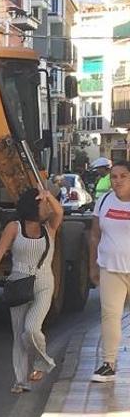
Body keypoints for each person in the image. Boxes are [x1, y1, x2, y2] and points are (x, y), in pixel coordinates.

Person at [0, 186, 64, 393]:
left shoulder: (50, 228)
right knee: (18, 333)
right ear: (33, 205)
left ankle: (43, 363)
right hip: (18, 282)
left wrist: (48, 196)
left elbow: (59, 212)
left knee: (31, 329)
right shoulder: (14, 227)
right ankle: (21, 381)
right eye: (43, 203)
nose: (47, 207)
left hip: (44, 282)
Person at [88, 160, 130, 383]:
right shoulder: (103, 201)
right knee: (110, 316)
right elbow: (95, 234)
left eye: (123, 176)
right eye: (114, 177)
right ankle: (109, 364)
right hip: (110, 268)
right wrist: (93, 265)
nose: (118, 181)